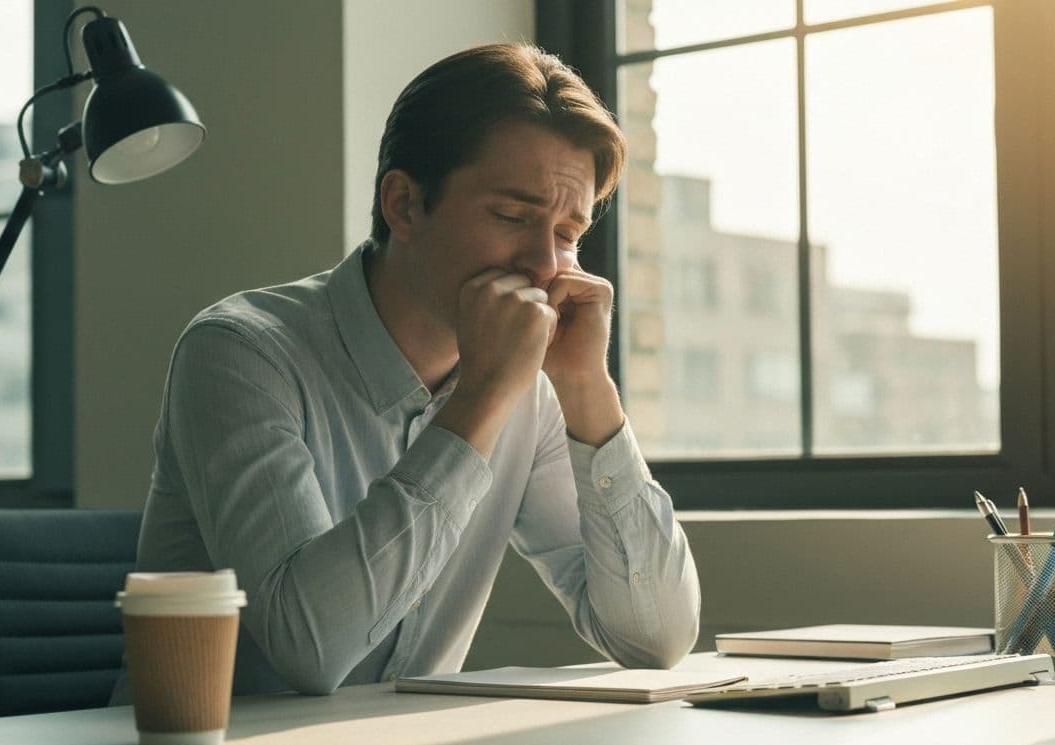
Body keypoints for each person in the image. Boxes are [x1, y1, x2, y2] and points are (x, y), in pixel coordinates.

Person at [126, 42, 700, 697]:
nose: (546, 264)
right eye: (512, 217)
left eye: (569, 234)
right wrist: (481, 399)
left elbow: (656, 638)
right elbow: (310, 651)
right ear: (403, 205)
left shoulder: (533, 394)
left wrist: (585, 390)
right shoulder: (242, 353)